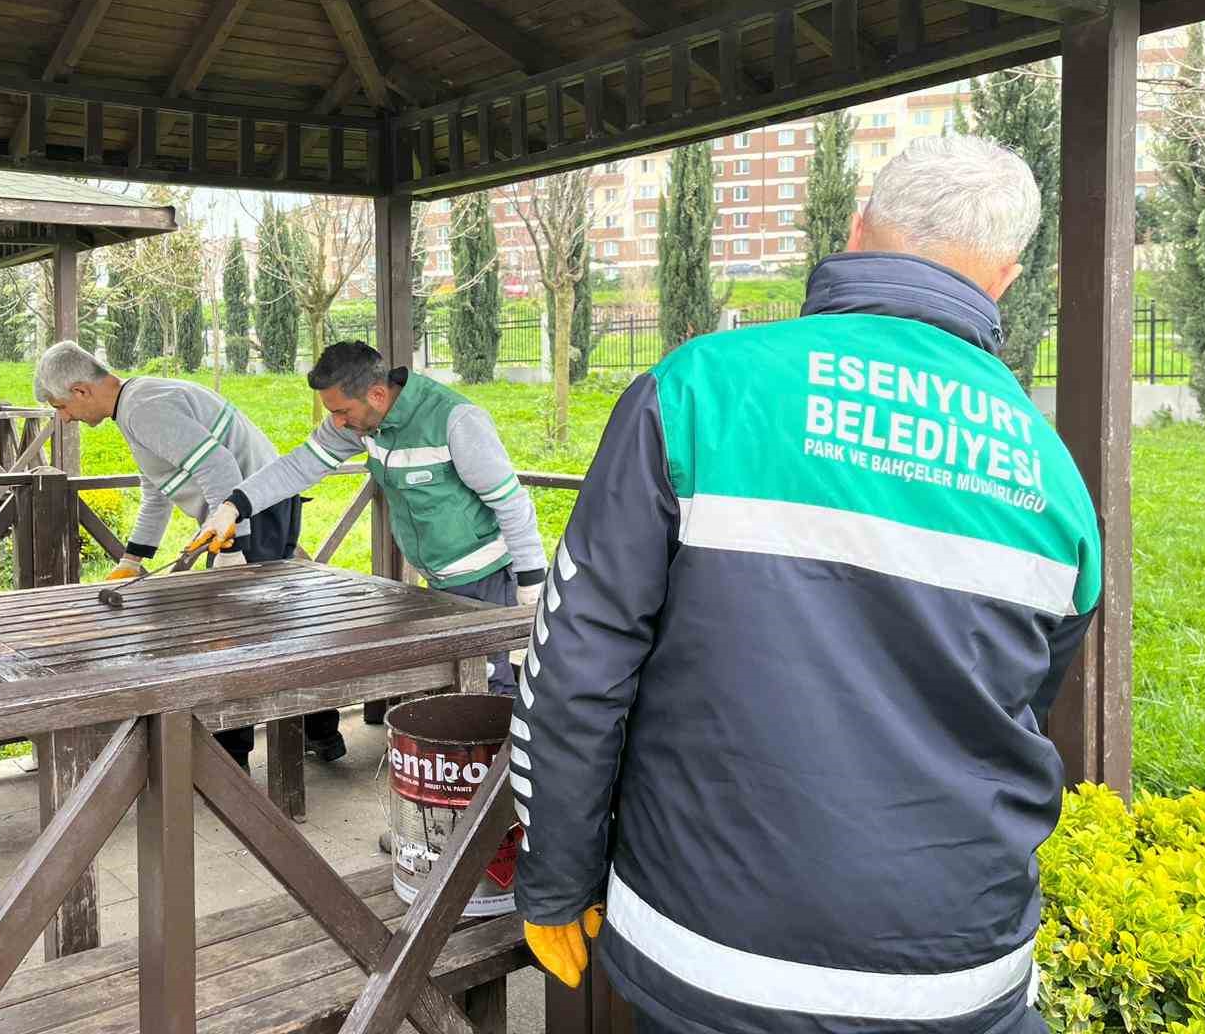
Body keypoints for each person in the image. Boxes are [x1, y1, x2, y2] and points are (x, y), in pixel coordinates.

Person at [513, 136, 1103, 1034]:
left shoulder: (699, 392)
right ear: (1008, 278)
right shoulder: (1052, 475)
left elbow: (576, 667)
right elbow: (1022, 702)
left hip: (712, 957)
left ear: (859, 221)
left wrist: (556, 876)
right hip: (963, 972)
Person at [32, 341, 345, 768]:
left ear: (81, 390)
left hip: (253, 515)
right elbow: (156, 494)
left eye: (61, 406)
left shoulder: (143, 409)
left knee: (230, 641)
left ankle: (229, 759)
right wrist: (132, 560)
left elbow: (218, 466)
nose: (64, 418)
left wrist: (231, 549)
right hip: (260, 512)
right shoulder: (136, 404)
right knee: (276, 627)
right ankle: (321, 733)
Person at [192, 341, 546, 697]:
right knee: (453, 681)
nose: (337, 422)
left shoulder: (454, 420)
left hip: (483, 573)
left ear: (377, 394)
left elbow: (511, 500)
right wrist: (233, 507)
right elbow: (299, 466)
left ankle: (505, 752)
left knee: (483, 683)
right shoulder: (362, 424)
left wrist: (531, 582)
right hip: (437, 578)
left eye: (342, 411)